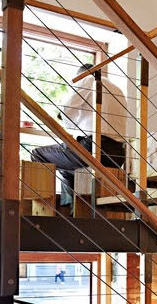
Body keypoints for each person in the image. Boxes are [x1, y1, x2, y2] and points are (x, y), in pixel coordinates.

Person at [31, 63, 127, 206]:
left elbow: (66, 111)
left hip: (94, 148)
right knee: (67, 169)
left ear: (81, 75)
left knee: (37, 154)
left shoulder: (88, 79)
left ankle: (46, 206)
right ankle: (71, 207)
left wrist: (62, 119)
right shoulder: (117, 89)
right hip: (118, 154)